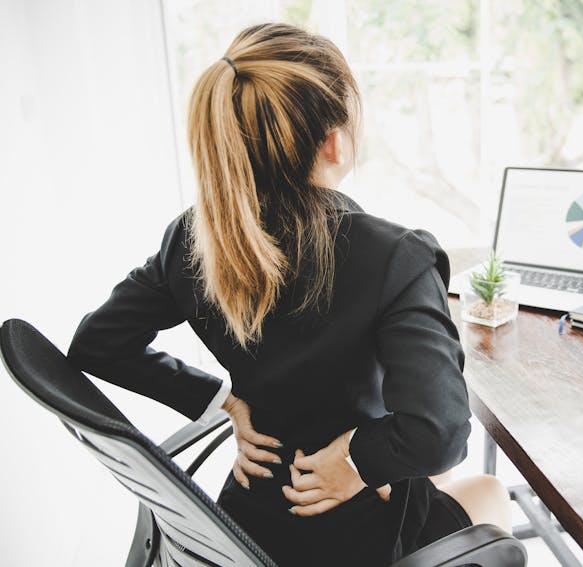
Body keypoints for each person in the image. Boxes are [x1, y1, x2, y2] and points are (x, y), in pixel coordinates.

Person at [67, 22, 511, 566]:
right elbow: (441, 431)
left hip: (249, 524)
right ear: (335, 141)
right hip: (354, 533)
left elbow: (97, 343)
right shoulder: (396, 257)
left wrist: (222, 402)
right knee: (488, 491)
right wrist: (357, 464)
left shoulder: (195, 238)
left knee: (431, 470)